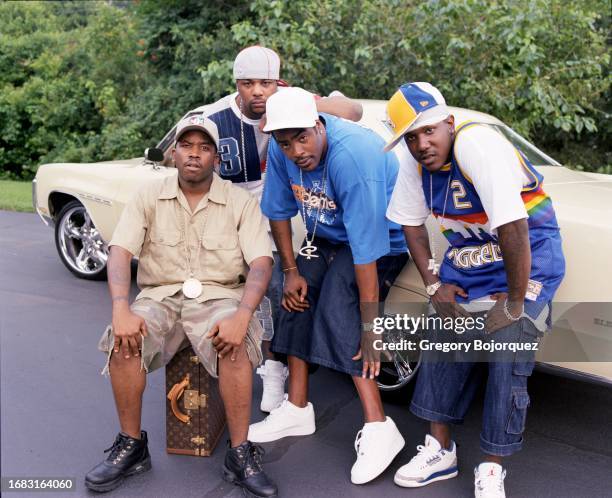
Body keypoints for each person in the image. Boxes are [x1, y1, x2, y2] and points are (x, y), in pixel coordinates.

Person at [384, 82, 565, 497]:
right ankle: (440, 450)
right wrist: (433, 284)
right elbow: (410, 222)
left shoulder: (478, 145)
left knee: (510, 341)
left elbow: (514, 228)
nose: (421, 143)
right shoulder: (411, 159)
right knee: (444, 330)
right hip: (473, 256)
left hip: (528, 252)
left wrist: (516, 304)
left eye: (429, 130)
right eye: (412, 136)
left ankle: (492, 464)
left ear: (448, 122)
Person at [85, 115, 278, 498]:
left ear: (217, 159)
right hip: (159, 296)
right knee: (124, 341)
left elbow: (261, 263)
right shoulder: (147, 196)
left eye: (204, 147)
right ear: (173, 153)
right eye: (186, 145)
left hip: (220, 296)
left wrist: (243, 316)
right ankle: (131, 446)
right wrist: (121, 308)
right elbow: (120, 251)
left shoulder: (239, 202)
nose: (194, 154)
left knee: (236, 342)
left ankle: (239, 453)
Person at [189, 45, 363, 414]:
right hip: (228, 216)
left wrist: (303, 100)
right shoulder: (215, 117)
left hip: (276, 218)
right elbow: (189, 165)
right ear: (236, 83)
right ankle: (209, 374)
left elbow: (353, 111)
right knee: (218, 295)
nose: (257, 92)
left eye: (265, 83)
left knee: (276, 290)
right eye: (248, 83)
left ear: (277, 82)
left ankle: (273, 369)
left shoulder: (290, 105)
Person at [248, 87, 409, 485]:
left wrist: (371, 327)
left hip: (381, 238)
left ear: (319, 125)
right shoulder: (285, 151)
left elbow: (367, 250)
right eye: (286, 143)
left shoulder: (354, 157)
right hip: (327, 233)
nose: (297, 150)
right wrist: (291, 271)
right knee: (297, 298)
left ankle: (380, 427)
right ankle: (298, 407)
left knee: (339, 304)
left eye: (303, 138)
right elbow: (279, 214)